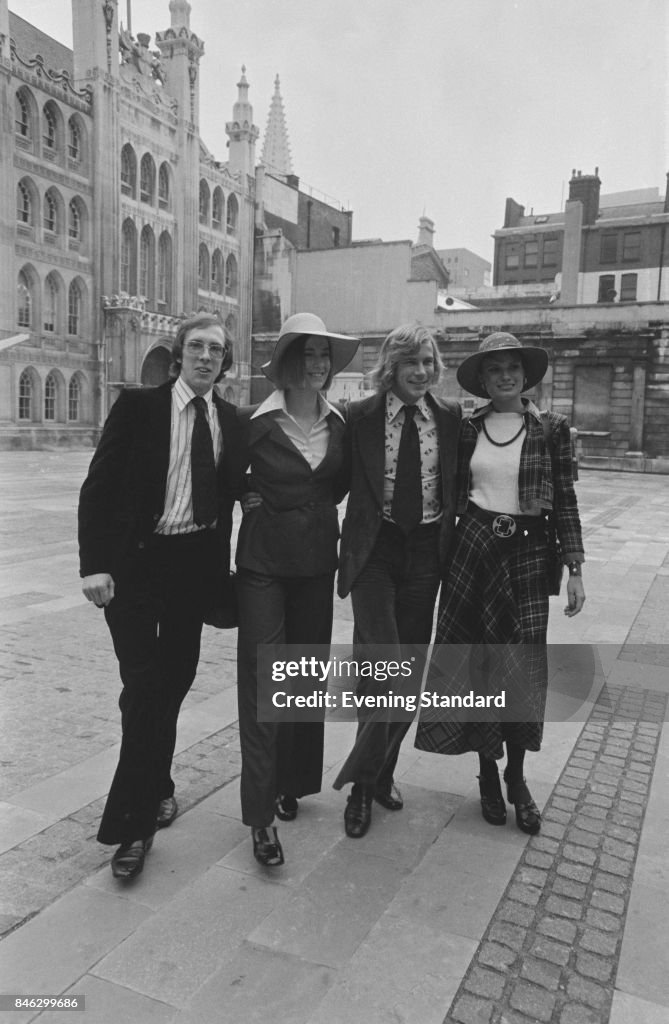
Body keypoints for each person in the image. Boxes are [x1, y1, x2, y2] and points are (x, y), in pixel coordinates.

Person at [78, 313, 244, 879]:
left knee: (163, 689)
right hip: (133, 569)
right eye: (196, 347)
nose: (205, 357)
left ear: (225, 363)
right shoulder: (139, 407)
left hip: (192, 572)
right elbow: (97, 487)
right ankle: (134, 825)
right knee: (147, 687)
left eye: (215, 351)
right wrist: (93, 565)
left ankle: (161, 780)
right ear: (179, 356)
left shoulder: (232, 421)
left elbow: (245, 488)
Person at [414, 332, 586, 835]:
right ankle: (487, 773)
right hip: (473, 554)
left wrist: (575, 567)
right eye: (495, 370)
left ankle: (517, 777)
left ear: (525, 375)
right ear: (483, 380)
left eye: (513, 368)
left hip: (530, 559)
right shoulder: (467, 428)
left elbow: (567, 501)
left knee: (522, 668)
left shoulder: (551, 429)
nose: (506, 376)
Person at [235, 311, 359, 867]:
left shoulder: (342, 425)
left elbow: (346, 484)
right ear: (286, 363)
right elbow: (217, 478)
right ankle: (260, 817)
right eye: (306, 355)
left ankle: (292, 783)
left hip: (315, 564)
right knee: (265, 679)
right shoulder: (253, 423)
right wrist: (243, 494)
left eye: (323, 357)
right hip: (262, 563)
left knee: (304, 679)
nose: (316, 365)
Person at [333, 323, 461, 838]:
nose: (422, 372)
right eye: (412, 363)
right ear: (392, 366)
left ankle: (382, 772)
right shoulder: (357, 416)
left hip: (427, 552)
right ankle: (361, 788)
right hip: (375, 552)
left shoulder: (450, 418)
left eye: (429, 362)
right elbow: (323, 472)